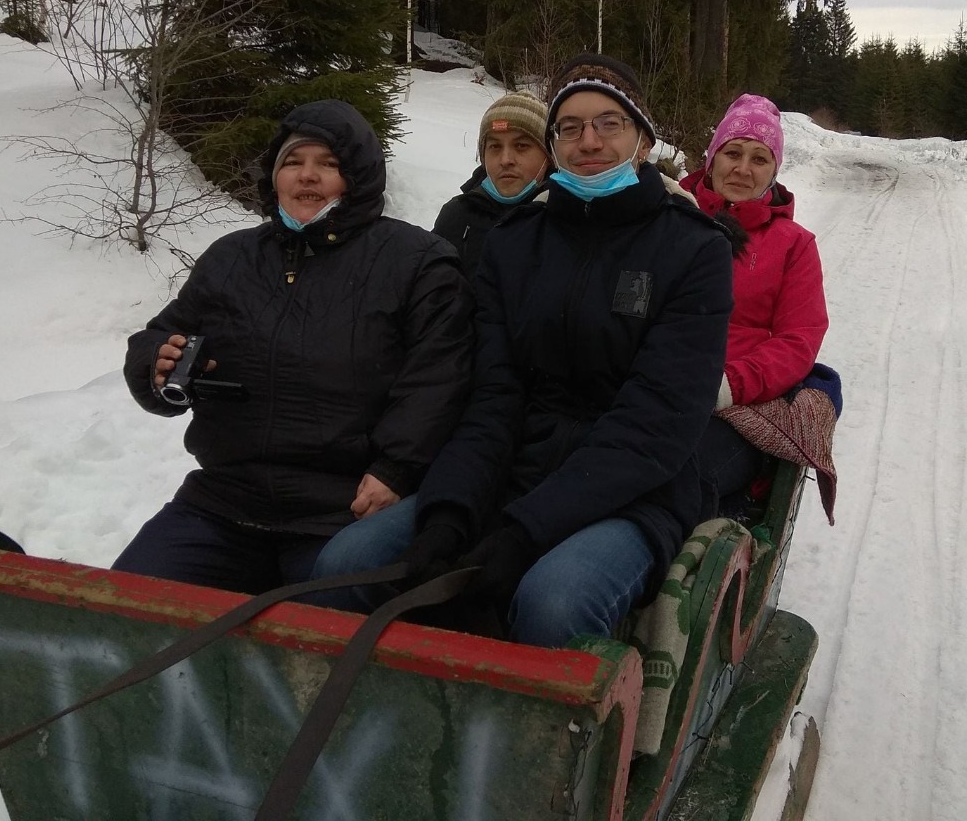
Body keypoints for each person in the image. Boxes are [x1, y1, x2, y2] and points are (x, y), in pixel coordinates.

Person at [312, 54, 734, 647]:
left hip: (633, 491)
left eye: (609, 123)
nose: (590, 141)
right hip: (512, 472)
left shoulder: (693, 249)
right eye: (570, 127)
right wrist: (449, 513)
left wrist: (524, 533)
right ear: (555, 145)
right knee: (347, 562)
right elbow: (492, 394)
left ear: (642, 139)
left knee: (553, 604)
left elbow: (658, 420)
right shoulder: (514, 244)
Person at [113, 99, 474, 597]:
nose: (307, 176)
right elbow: (159, 335)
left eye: (329, 163)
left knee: (317, 634)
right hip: (225, 502)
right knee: (124, 605)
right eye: (293, 162)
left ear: (359, 176)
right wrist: (156, 363)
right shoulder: (232, 258)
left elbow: (439, 378)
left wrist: (397, 468)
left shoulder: (416, 261)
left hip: (345, 510)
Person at [680, 93, 829, 503]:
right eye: (733, 153)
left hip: (737, 408)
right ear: (712, 158)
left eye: (760, 159)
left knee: (681, 476)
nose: (743, 169)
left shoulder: (794, 245)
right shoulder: (671, 218)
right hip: (655, 384)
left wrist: (727, 385)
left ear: (774, 172)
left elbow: (798, 339)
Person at [432, 90, 550, 278]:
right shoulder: (456, 215)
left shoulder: (567, 219)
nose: (505, 160)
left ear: (548, 156)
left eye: (521, 146)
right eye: (495, 146)